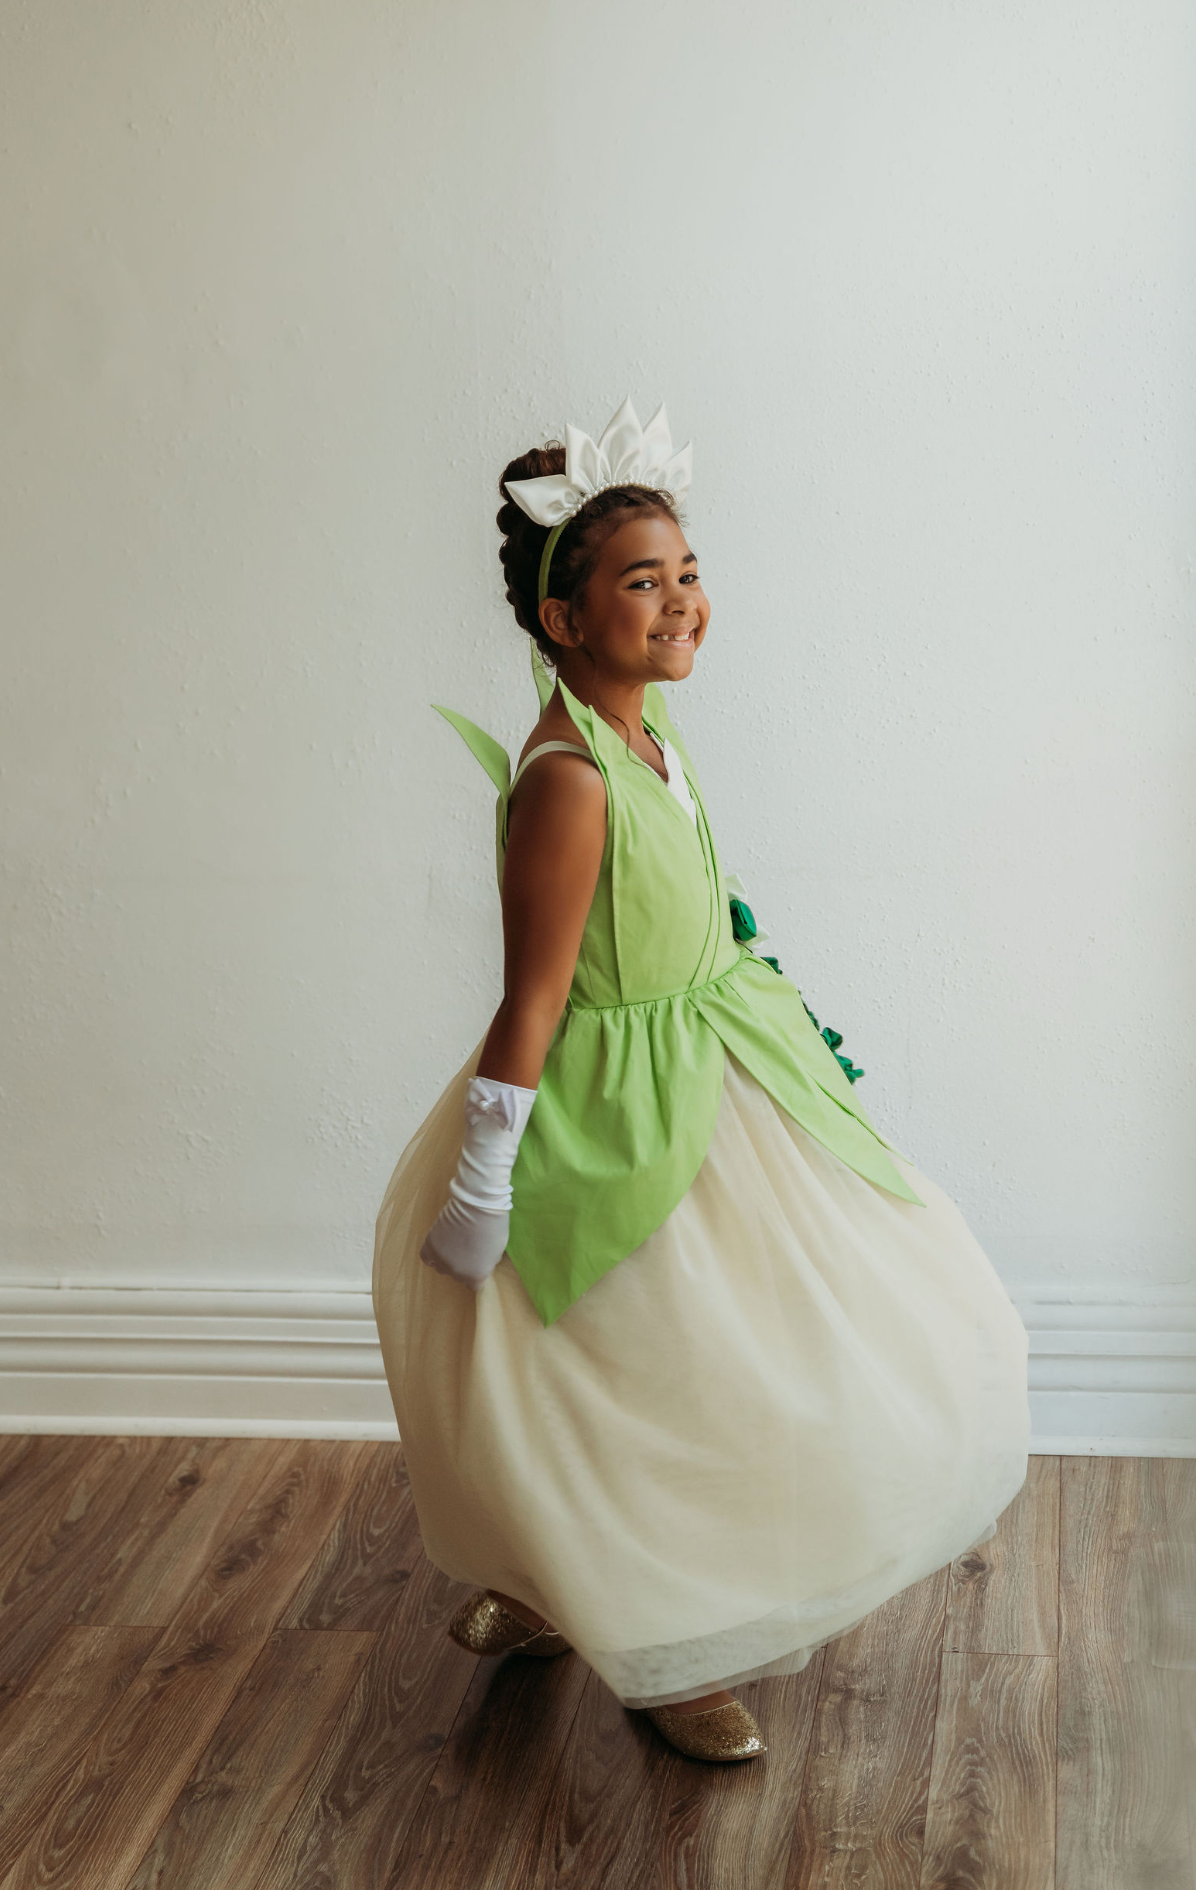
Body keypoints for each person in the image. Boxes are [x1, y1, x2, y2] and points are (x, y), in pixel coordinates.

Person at [371, 397, 1031, 1763]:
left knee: (706, 1362)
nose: (680, 601)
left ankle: (559, 1576)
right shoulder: (566, 780)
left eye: (687, 572)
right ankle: (667, 1642)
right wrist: (489, 1168)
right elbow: (540, 992)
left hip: (718, 1072)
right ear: (563, 622)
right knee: (640, 1372)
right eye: (639, 581)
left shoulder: (653, 743)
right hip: (609, 1115)